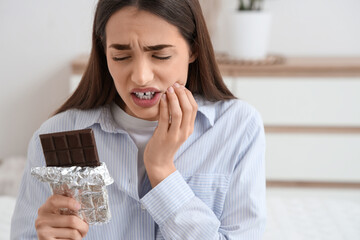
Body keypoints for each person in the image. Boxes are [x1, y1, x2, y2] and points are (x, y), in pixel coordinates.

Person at [11, 0, 266, 239]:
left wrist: (161, 170)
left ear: (193, 49)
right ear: (103, 52)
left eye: (160, 55)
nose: (141, 77)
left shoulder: (238, 127)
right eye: (121, 57)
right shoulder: (57, 133)